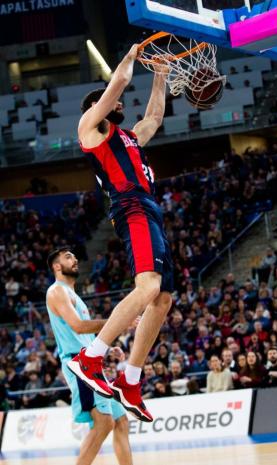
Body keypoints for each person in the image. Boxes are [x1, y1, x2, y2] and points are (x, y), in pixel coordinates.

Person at [68, 44, 173, 422]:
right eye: (115, 102)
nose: (123, 106)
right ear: (99, 106)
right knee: (146, 288)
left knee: (162, 300)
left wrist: (160, 74)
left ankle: (130, 379)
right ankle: (91, 357)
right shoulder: (91, 130)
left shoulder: (128, 137)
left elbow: (155, 116)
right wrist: (130, 55)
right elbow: (120, 82)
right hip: (130, 206)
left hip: (150, 210)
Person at [46, 247, 133, 465]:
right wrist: (120, 322)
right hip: (79, 364)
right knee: (103, 423)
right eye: (68, 257)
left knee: (120, 420)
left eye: (74, 256)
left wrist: (106, 348)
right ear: (57, 267)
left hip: (90, 363)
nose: (74, 259)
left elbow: (87, 335)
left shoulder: (74, 295)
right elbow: (78, 326)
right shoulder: (57, 292)